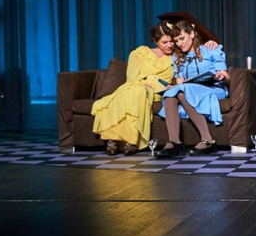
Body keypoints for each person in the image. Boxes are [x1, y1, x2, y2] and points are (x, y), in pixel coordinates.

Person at [91, 23, 176, 155]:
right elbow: (132, 78)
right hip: (134, 87)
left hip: (155, 92)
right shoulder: (140, 53)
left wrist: (209, 43)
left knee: (140, 93)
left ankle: (126, 141)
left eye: (171, 41)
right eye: (164, 42)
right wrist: (144, 83)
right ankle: (118, 140)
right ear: (155, 41)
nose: (169, 45)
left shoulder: (174, 58)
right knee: (135, 91)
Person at [156, 20, 230, 156]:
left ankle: (208, 140)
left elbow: (226, 77)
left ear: (191, 34)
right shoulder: (177, 57)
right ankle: (174, 142)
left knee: (183, 91)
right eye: (176, 41)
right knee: (172, 93)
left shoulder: (210, 49)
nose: (180, 43)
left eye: (182, 38)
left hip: (213, 89)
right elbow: (180, 81)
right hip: (190, 90)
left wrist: (221, 76)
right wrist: (175, 84)